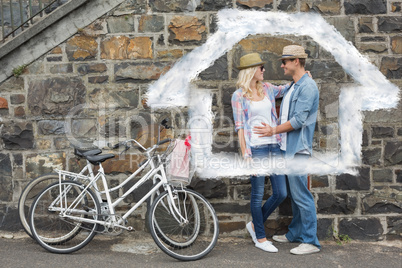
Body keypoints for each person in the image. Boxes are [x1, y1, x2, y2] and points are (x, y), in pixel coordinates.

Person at [253, 45, 321, 255]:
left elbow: (299, 120)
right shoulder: (295, 85)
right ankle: (295, 234)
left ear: (296, 62)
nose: (281, 65)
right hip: (286, 149)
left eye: (285, 61)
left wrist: (273, 130)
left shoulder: (307, 87)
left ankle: (311, 241)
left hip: (297, 150)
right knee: (294, 194)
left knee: (302, 196)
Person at [231, 53, 289, 253]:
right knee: (257, 195)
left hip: (275, 146)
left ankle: (255, 225)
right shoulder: (238, 96)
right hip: (256, 149)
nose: (264, 70)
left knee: (281, 192)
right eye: (261, 68)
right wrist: (246, 154)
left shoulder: (268, 89)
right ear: (251, 70)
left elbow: (287, 89)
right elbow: (240, 128)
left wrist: (302, 77)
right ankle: (261, 238)